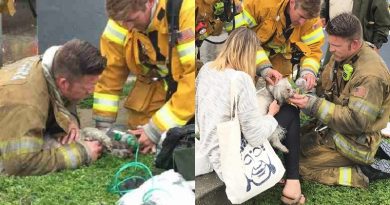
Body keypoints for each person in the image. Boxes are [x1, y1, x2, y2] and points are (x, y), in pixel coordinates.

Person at [196, 27, 305, 204]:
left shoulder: (206, 68)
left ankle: (291, 183)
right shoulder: (241, 79)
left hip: (210, 149)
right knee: (290, 112)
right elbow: (254, 137)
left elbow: (200, 110)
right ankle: (292, 186)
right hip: (230, 159)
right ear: (250, 54)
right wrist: (271, 114)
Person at [290, 13, 390, 188]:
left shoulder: (370, 77)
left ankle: (362, 173)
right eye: (331, 43)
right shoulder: (344, 55)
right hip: (335, 129)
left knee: (298, 165)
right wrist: (311, 81)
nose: (331, 49)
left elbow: (355, 121)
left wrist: (312, 104)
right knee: (294, 146)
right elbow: (327, 85)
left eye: (336, 45)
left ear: (355, 44)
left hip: (354, 141)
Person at [92, 0, 195, 154]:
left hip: (189, 87)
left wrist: (154, 130)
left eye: (131, 19)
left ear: (150, 2)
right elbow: (109, 76)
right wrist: (103, 129)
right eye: (121, 21)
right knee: (140, 138)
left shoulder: (185, 10)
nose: (127, 27)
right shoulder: (120, 18)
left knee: (183, 138)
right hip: (154, 84)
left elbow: (192, 79)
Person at [0, 39, 105, 176]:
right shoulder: (27, 105)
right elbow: (21, 164)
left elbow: (57, 97)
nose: (92, 91)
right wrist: (82, 153)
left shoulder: (52, 65)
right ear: (64, 83)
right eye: (87, 89)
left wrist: (67, 119)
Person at [225, 0, 324, 91]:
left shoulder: (312, 18)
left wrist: (308, 72)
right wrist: (265, 68)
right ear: (292, 2)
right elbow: (239, 33)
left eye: (307, 19)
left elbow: (313, 50)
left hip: (280, 58)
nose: (302, 23)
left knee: (281, 93)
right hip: (248, 49)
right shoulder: (262, 3)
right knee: (239, 88)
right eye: (301, 16)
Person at [320, 0, 390, 65]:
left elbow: (383, 23)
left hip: (358, 46)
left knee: (357, 74)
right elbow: (327, 3)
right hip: (334, 40)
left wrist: (376, 45)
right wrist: (323, 14)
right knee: (329, 72)